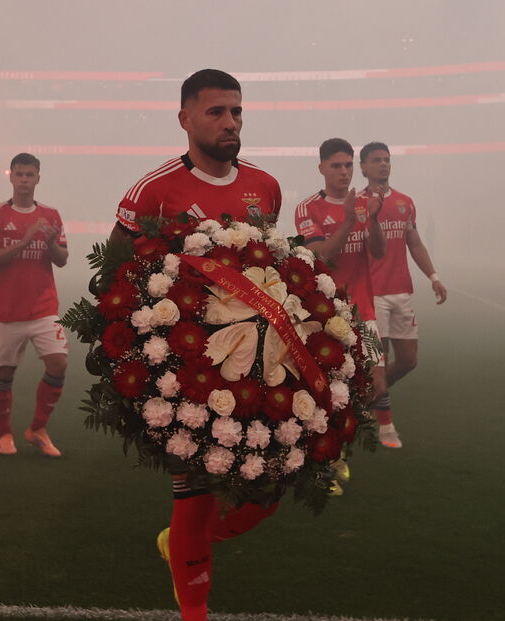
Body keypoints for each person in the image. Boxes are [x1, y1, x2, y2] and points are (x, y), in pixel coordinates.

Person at [111, 69, 281, 621]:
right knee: (194, 490)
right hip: (187, 368)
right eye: (217, 112)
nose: (231, 122)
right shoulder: (153, 191)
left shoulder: (266, 187)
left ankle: (186, 544)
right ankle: (194, 609)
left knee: (270, 484)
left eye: (237, 111)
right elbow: (111, 276)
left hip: (255, 363)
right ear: (185, 119)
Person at [0, 153, 69, 457]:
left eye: (30, 175)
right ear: (11, 177)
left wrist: (51, 243)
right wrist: (24, 242)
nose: (24, 180)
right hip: (7, 310)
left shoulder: (51, 215)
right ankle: (5, 434)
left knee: (58, 363)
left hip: (44, 307)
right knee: (5, 374)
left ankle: (37, 429)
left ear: (38, 178)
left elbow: (62, 259)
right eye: (19, 174)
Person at [294, 138, 387, 435]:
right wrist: (347, 222)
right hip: (325, 312)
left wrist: (373, 220)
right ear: (321, 168)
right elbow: (321, 255)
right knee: (323, 388)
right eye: (336, 166)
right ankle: (327, 445)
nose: (344, 172)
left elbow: (379, 252)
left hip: (363, 309)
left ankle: (342, 438)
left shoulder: (364, 204)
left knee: (377, 384)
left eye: (348, 165)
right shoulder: (307, 208)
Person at [361, 142, 447, 448]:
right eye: (376, 160)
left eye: (386, 159)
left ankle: (366, 396)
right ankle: (385, 425)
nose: (383, 164)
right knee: (379, 362)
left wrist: (434, 277)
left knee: (409, 360)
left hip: (401, 291)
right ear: (363, 167)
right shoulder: (357, 204)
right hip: (372, 294)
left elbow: (415, 243)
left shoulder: (405, 202)